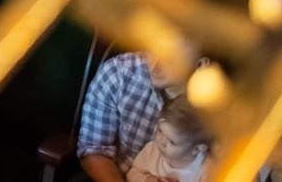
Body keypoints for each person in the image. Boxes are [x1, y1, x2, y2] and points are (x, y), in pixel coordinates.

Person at [77, 52, 196, 182]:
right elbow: (94, 148)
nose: (153, 65)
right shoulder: (119, 72)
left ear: (200, 63)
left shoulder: (214, 114)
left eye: (170, 59)